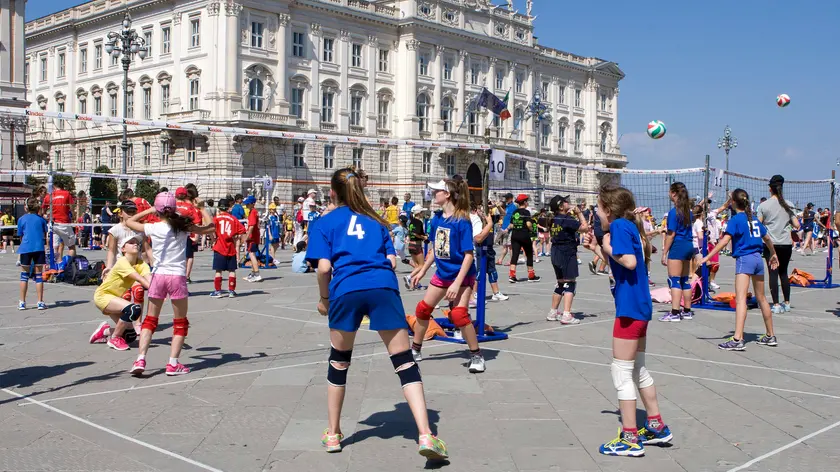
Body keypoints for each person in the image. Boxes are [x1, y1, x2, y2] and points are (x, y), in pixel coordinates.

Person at [307, 168, 447, 459]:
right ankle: (425, 434)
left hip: (346, 289)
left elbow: (323, 268)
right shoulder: (377, 220)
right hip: (382, 286)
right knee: (404, 362)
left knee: (339, 362)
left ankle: (333, 434)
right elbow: (392, 261)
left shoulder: (324, 222)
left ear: (332, 192)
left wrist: (324, 299)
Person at [595, 185, 672, 457]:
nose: (596, 211)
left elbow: (626, 261)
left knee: (621, 372)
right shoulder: (629, 225)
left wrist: (604, 244)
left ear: (608, 208)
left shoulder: (617, 227)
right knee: (638, 368)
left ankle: (629, 437)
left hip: (629, 308)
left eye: (598, 207)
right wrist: (601, 249)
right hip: (640, 304)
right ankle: (655, 425)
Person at [124, 192, 214, 376]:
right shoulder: (182, 226)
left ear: (158, 210)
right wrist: (203, 208)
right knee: (180, 322)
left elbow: (129, 222)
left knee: (150, 320)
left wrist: (150, 209)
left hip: (158, 275)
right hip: (176, 276)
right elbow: (210, 228)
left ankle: (140, 358)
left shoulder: (154, 227)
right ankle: (173, 363)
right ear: (174, 208)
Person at [409, 177, 486, 373]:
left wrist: (457, 283)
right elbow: (435, 248)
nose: (434, 194)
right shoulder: (436, 219)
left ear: (448, 194)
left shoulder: (462, 221)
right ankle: (415, 350)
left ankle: (477, 355)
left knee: (459, 315)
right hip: (442, 274)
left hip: (462, 275)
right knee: (423, 309)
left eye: (437, 191)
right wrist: (423, 270)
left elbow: (469, 256)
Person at [700, 189, 779, 351]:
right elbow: (767, 238)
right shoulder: (755, 220)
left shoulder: (736, 220)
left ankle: (737, 338)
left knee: (741, 299)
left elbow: (724, 241)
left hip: (745, 259)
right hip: (758, 259)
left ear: (734, 203)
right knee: (762, 298)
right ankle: (770, 335)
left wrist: (707, 257)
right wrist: (773, 253)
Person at [88, 234, 151, 351]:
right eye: (131, 242)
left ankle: (105, 331)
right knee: (134, 309)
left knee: (130, 336)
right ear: (123, 249)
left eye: (136, 242)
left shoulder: (141, 264)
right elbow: (140, 279)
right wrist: (156, 291)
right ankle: (115, 338)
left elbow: (149, 279)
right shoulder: (122, 262)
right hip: (103, 296)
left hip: (115, 298)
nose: (136, 244)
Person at [757, 176, 799, 314]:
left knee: (773, 273)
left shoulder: (764, 205)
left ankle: (775, 304)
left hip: (771, 244)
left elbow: (758, 224)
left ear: (770, 188)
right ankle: (787, 302)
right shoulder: (789, 204)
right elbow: (797, 225)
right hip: (786, 243)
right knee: (784, 273)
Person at [546, 195, 588, 324]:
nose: (568, 202)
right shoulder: (567, 219)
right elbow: (584, 228)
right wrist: (580, 213)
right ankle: (566, 314)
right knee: (570, 282)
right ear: (561, 206)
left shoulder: (553, 219)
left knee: (560, 282)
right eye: (565, 201)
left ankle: (553, 312)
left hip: (555, 252)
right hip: (567, 252)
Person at [660, 182, 695, 322]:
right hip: (688, 244)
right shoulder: (688, 212)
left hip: (678, 245)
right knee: (684, 280)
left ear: (674, 193)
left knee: (674, 280)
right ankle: (687, 311)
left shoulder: (674, 212)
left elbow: (671, 234)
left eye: (670, 192)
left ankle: (675, 312)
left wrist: (664, 252)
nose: (669, 194)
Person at [469, 203, 508, 305]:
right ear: (476, 210)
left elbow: (504, 214)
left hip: (489, 248)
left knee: (492, 271)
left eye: (483, 210)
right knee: (479, 272)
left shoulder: (489, 218)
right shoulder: (476, 220)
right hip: (479, 247)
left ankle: (496, 293)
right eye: (480, 210)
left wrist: (497, 206)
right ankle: (474, 294)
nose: (482, 212)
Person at [209, 198, 245, 298]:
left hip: (219, 247)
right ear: (228, 208)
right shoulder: (233, 219)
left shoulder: (216, 219)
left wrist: (213, 239)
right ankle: (231, 291)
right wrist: (241, 242)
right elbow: (242, 230)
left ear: (219, 208)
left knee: (218, 271)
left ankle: (218, 291)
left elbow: (210, 228)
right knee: (232, 270)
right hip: (230, 248)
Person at [17, 197, 48, 311]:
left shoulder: (21, 219)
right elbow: (45, 235)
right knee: (39, 276)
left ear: (26, 207)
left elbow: (20, 235)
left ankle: (22, 302)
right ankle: (40, 302)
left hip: (25, 248)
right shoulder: (41, 220)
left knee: (24, 276)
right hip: (39, 248)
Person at [508, 194, 540, 283]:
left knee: (515, 255)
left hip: (515, 235)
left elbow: (511, 225)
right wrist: (531, 229)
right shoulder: (526, 212)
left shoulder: (515, 212)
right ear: (525, 202)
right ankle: (531, 275)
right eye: (527, 201)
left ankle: (512, 275)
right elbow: (529, 224)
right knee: (529, 254)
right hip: (524, 235)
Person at [43, 180, 77, 259]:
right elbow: (72, 208)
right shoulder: (66, 193)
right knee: (71, 247)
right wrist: (74, 217)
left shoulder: (49, 195)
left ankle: (56, 265)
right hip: (64, 223)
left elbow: (42, 209)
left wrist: (45, 215)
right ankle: (69, 265)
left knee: (55, 247)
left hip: (53, 224)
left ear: (54, 187)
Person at [243, 196, 263, 282]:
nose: (246, 205)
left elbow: (251, 227)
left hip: (252, 238)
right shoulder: (253, 212)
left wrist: (246, 237)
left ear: (252, 204)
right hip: (254, 237)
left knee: (252, 255)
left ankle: (257, 274)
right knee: (252, 255)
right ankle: (253, 273)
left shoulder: (253, 212)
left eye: (248, 204)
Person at [405, 206, 428, 279]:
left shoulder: (411, 221)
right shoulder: (418, 222)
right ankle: (409, 277)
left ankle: (413, 283)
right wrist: (423, 237)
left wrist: (424, 236)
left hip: (410, 244)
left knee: (416, 266)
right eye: (422, 212)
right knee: (422, 265)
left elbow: (412, 232)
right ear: (419, 213)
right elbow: (416, 233)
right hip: (416, 245)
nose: (423, 213)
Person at [496, 193, 516, 265]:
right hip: (504, 228)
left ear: (511, 198)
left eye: (507, 198)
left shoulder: (513, 207)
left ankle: (512, 261)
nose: (506, 199)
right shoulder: (507, 206)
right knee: (504, 246)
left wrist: (508, 228)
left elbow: (511, 218)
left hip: (509, 229)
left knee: (510, 246)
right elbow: (503, 214)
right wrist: (498, 207)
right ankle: (500, 260)